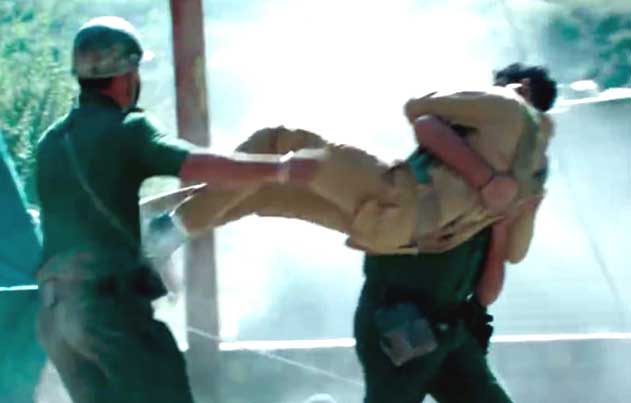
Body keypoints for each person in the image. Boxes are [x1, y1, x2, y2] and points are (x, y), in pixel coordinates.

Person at [34, 16, 319, 403]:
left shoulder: (52, 142)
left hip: (56, 318)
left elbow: (87, 220)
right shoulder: (127, 129)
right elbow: (196, 163)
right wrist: (281, 170)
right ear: (126, 74)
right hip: (109, 313)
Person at [150, 64, 554, 262]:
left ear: (520, 86)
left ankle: (163, 233)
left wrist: (483, 177)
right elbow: (514, 254)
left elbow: (419, 111)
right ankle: (159, 228)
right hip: (396, 238)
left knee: (278, 143)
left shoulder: (507, 103)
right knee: (266, 189)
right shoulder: (536, 177)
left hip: (397, 196)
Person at [353, 65, 557, 403]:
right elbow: (423, 118)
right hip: (401, 317)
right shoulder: (459, 145)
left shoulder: (516, 182)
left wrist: (504, 224)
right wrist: (485, 180)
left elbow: (488, 291)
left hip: (450, 328)